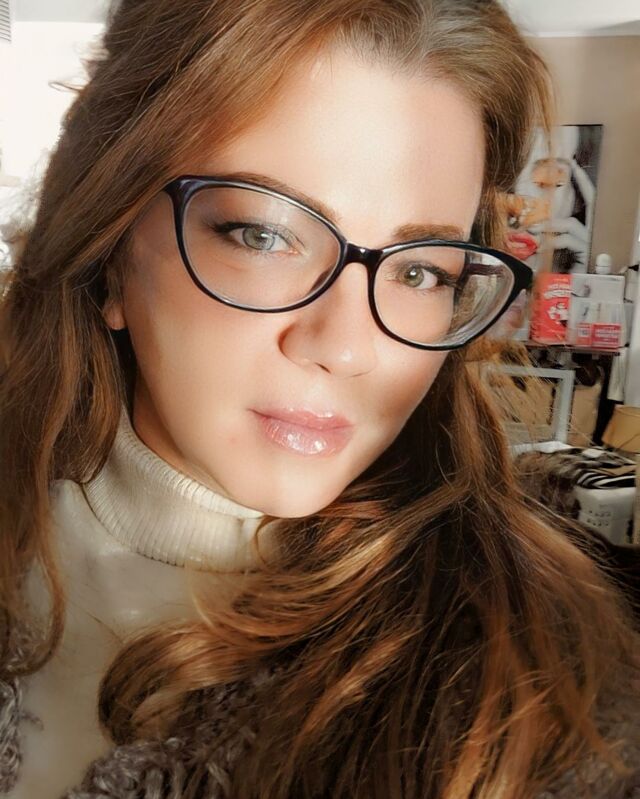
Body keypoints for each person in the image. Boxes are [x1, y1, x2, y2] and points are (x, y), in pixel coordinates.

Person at [0, 0, 639, 797]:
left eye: (420, 270)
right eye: (264, 234)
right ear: (110, 248)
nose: (345, 346)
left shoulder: (535, 702)